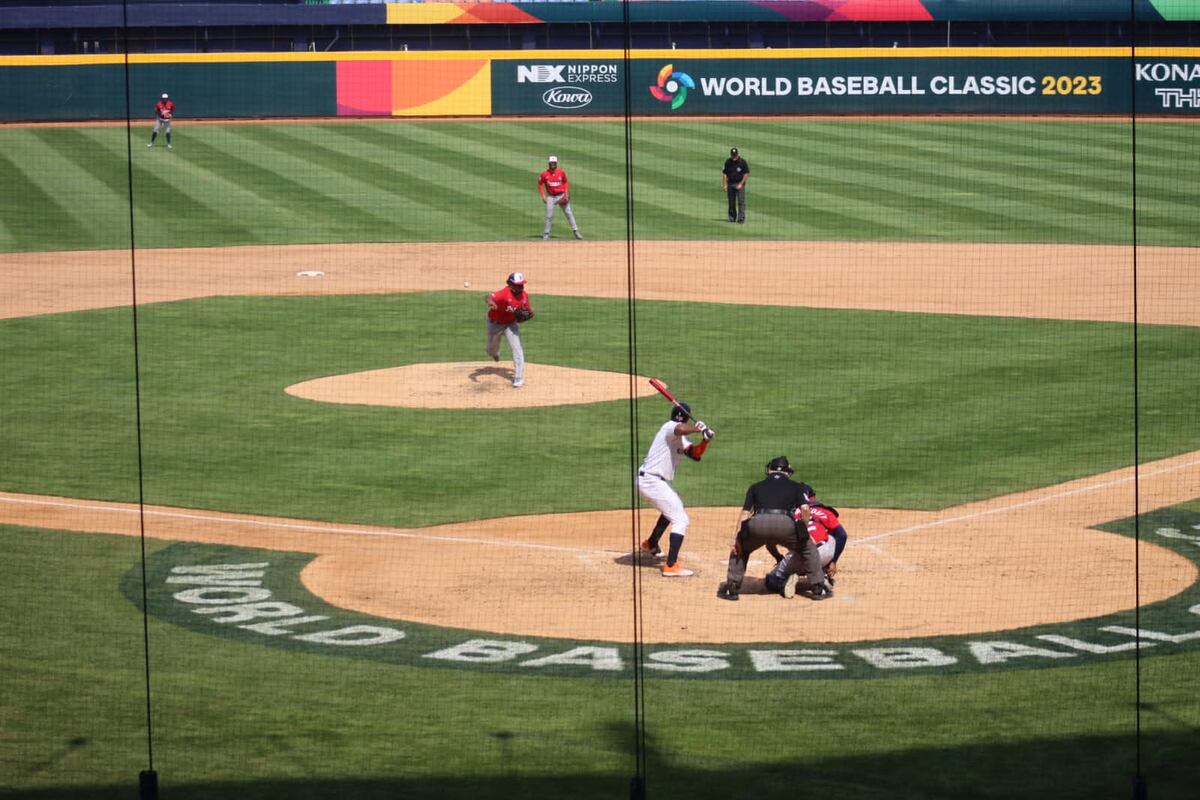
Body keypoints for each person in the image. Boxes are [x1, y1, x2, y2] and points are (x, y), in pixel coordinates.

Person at [717, 456, 826, 601]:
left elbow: (745, 513)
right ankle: (818, 588)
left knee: (740, 549)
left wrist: (737, 538)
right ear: (787, 472)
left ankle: (732, 588)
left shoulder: (755, 486)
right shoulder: (797, 486)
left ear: (769, 470)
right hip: (785, 525)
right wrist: (803, 530)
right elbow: (805, 509)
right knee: (808, 548)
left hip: (758, 524)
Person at [637, 402, 715, 577]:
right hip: (652, 481)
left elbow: (695, 455)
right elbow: (679, 428)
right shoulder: (670, 427)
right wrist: (697, 428)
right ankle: (671, 566)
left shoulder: (681, 438)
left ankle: (650, 544)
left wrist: (705, 440)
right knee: (681, 519)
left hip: (652, 481)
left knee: (670, 510)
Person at [485, 272, 534, 388]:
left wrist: (528, 316)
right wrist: (491, 303)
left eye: (522, 285)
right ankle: (495, 353)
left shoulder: (524, 296)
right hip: (495, 324)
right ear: (511, 285)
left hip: (511, 325)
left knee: (517, 349)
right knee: (490, 350)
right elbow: (489, 297)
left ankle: (518, 378)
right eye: (518, 285)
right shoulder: (504, 294)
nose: (521, 287)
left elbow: (527, 312)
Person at [537, 155, 583, 241]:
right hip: (550, 196)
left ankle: (576, 231)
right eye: (551, 163)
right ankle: (546, 234)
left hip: (561, 195)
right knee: (549, 215)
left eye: (554, 163)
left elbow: (565, 182)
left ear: (556, 163)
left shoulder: (561, 172)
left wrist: (566, 193)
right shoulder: (544, 174)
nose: (553, 164)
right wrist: (543, 196)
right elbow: (539, 184)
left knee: (568, 213)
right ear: (549, 163)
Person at [721, 147, 749, 223]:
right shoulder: (728, 162)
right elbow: (725, 174)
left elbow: (746, 174)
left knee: (741, 201)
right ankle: (732, 217)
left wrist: (741, 184)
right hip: (730, 184)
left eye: (735, 155)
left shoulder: (742, 162)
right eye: (732, 155)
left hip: (740, 185)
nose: (734, 157)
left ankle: (741, 218)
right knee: (731, 202)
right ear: (731, 154)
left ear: (737, 154)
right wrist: (725, 185)